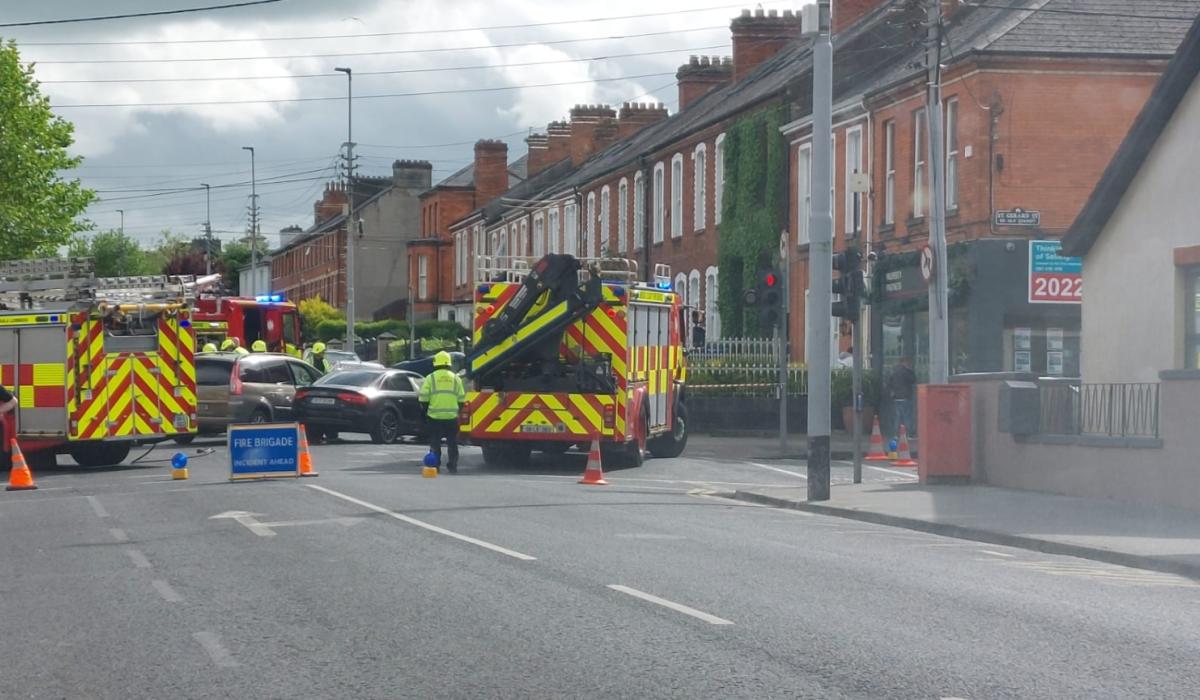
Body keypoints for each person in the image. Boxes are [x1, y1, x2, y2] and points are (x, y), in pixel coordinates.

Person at [418, 351, 466, 474]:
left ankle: (435, 466)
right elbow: (461, 399)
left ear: (436, 363)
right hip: (451, 417)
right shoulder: (456, 378)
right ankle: (453, 466)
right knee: (452, 443)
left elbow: (423, 398)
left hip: (435, 417)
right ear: (449, 363)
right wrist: (456, 411)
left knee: (435, 443)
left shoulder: (430, 378)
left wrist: (425, 412)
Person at [887, 356, 917, 439]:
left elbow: (889, 383)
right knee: (907, 416)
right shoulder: (906, 372)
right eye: (908, 362)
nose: (909, 364)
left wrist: (892, 392)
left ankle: (896, 434)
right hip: (905, 396)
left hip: (896, 397)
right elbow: (913, 380)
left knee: (898, 417)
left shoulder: (894, 371)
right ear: (905, 362)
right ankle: (909, 434)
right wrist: (910, 370)